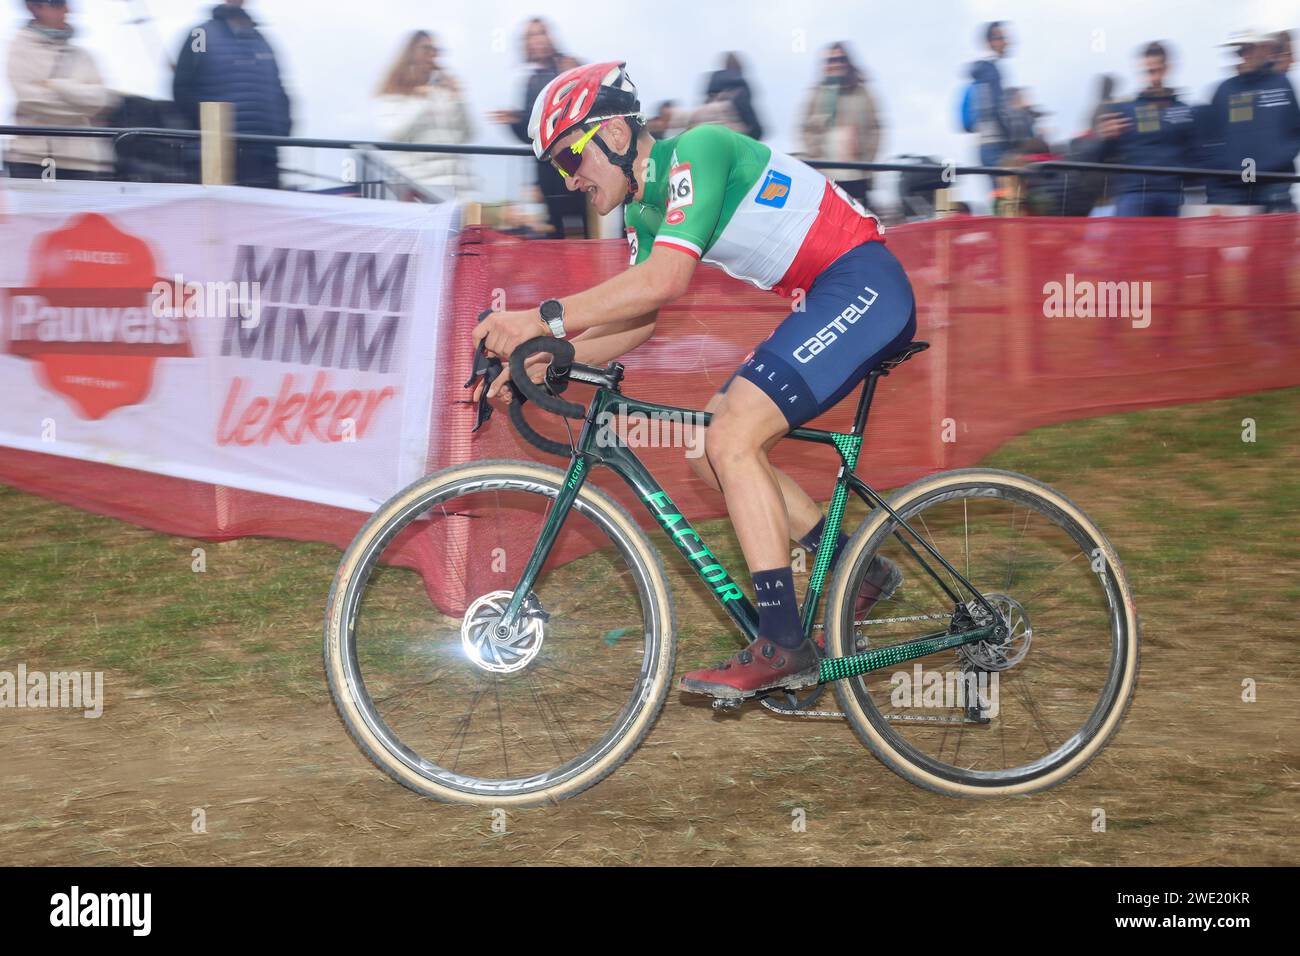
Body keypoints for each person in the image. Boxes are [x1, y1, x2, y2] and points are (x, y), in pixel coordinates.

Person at [472, 62, 916, 699]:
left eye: (572, 157)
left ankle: (782, 643)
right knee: (712, 451)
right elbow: (639, 321)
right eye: (557, 168)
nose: (568, 179)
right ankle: (857, 568)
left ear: (618, 136)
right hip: (830, 295)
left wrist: (540, 317)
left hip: (864, 285)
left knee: (733, 438)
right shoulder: (644, 213)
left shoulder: (698, 151)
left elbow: (664, 282)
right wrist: (548, 355)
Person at [172, 1, 292, 189]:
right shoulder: (200, 35)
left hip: (264, 156)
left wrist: (282, 131)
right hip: (214, 156)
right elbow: (182, 87)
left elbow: (279, 89)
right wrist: (211, 129)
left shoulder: (261, 40)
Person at [488, 18, 587, 238]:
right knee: (556, 229)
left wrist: (575, 76)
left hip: (577, 158)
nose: (536, 40)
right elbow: (530, 134)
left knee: (583, 226)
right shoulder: (531, 80)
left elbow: (586, 109)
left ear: (549, 37)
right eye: (530, 36)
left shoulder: (571, 65)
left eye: (540, 33)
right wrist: (515, 121)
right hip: (547, 169)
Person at [5, 0, 117, 181]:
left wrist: (57, 86)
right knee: (41, 210)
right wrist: (82, 105)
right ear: (33, 7)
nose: (68, 9)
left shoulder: (84, 55)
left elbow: (102, 100)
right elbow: (33, 101)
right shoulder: (19, 49)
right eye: (57, 3)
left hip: (86, 162)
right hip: (36, 161)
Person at [1093, 42, 1195, 216]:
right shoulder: (1125, 109)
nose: (1152, 78)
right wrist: (1105, 138)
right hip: (1133, 194)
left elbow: (1194, 153)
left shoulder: (1184, 110)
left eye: (1156, 70)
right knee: (1130, 244)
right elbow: (1102, 157)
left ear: (1167, 68)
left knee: (1169, 244)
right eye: (1147, 71)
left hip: (1172, 195)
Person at [1202, 30, 1300, 212]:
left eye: (1248, 49)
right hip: (1231, 187)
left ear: (1262, 50)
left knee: (1277, 239)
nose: (1243, 55)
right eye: (1239, 51)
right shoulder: (1224, 90)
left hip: (1273, 183)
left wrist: (1271, 164)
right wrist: (1226, 169)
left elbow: (1294, 130)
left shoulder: (1281, 84)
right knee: (1234, 241)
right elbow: (1209, 140)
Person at [374, 31, 474, 197]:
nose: (432, 56)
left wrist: (459, 99)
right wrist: (419, 100)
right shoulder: (393, 94)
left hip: (452, 189)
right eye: (426, 49)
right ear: (411, 54)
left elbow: (468, 134)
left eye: (435, 50)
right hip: (415, 189)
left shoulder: (443, 93)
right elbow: (394, 132)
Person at [799, 41, 882, 205]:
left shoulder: (862, 93)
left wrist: (868, 159)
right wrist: (815, 157)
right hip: (827, 173)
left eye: (840, 59)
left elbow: (875, 129)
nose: (836, 64)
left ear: (847, 62)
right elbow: (806, 129)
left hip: (857, 172)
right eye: (831, 60)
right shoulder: (816, 94)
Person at [968, 21, 1013, 187]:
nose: (1006, 42)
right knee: (1007, 197)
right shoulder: (990, 70)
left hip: (985, 143)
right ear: (989, 42)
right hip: (996, 144)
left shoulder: (982, 70)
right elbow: (996, 108)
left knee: (1000, 196)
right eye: (1000, 38)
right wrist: (1011, 138)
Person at [700, 52, 764, 141]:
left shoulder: (711, 94)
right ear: (740, 68)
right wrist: (757, 132)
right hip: (734, 139)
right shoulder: (739, 87)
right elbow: (747, 113)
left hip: (711, 139)